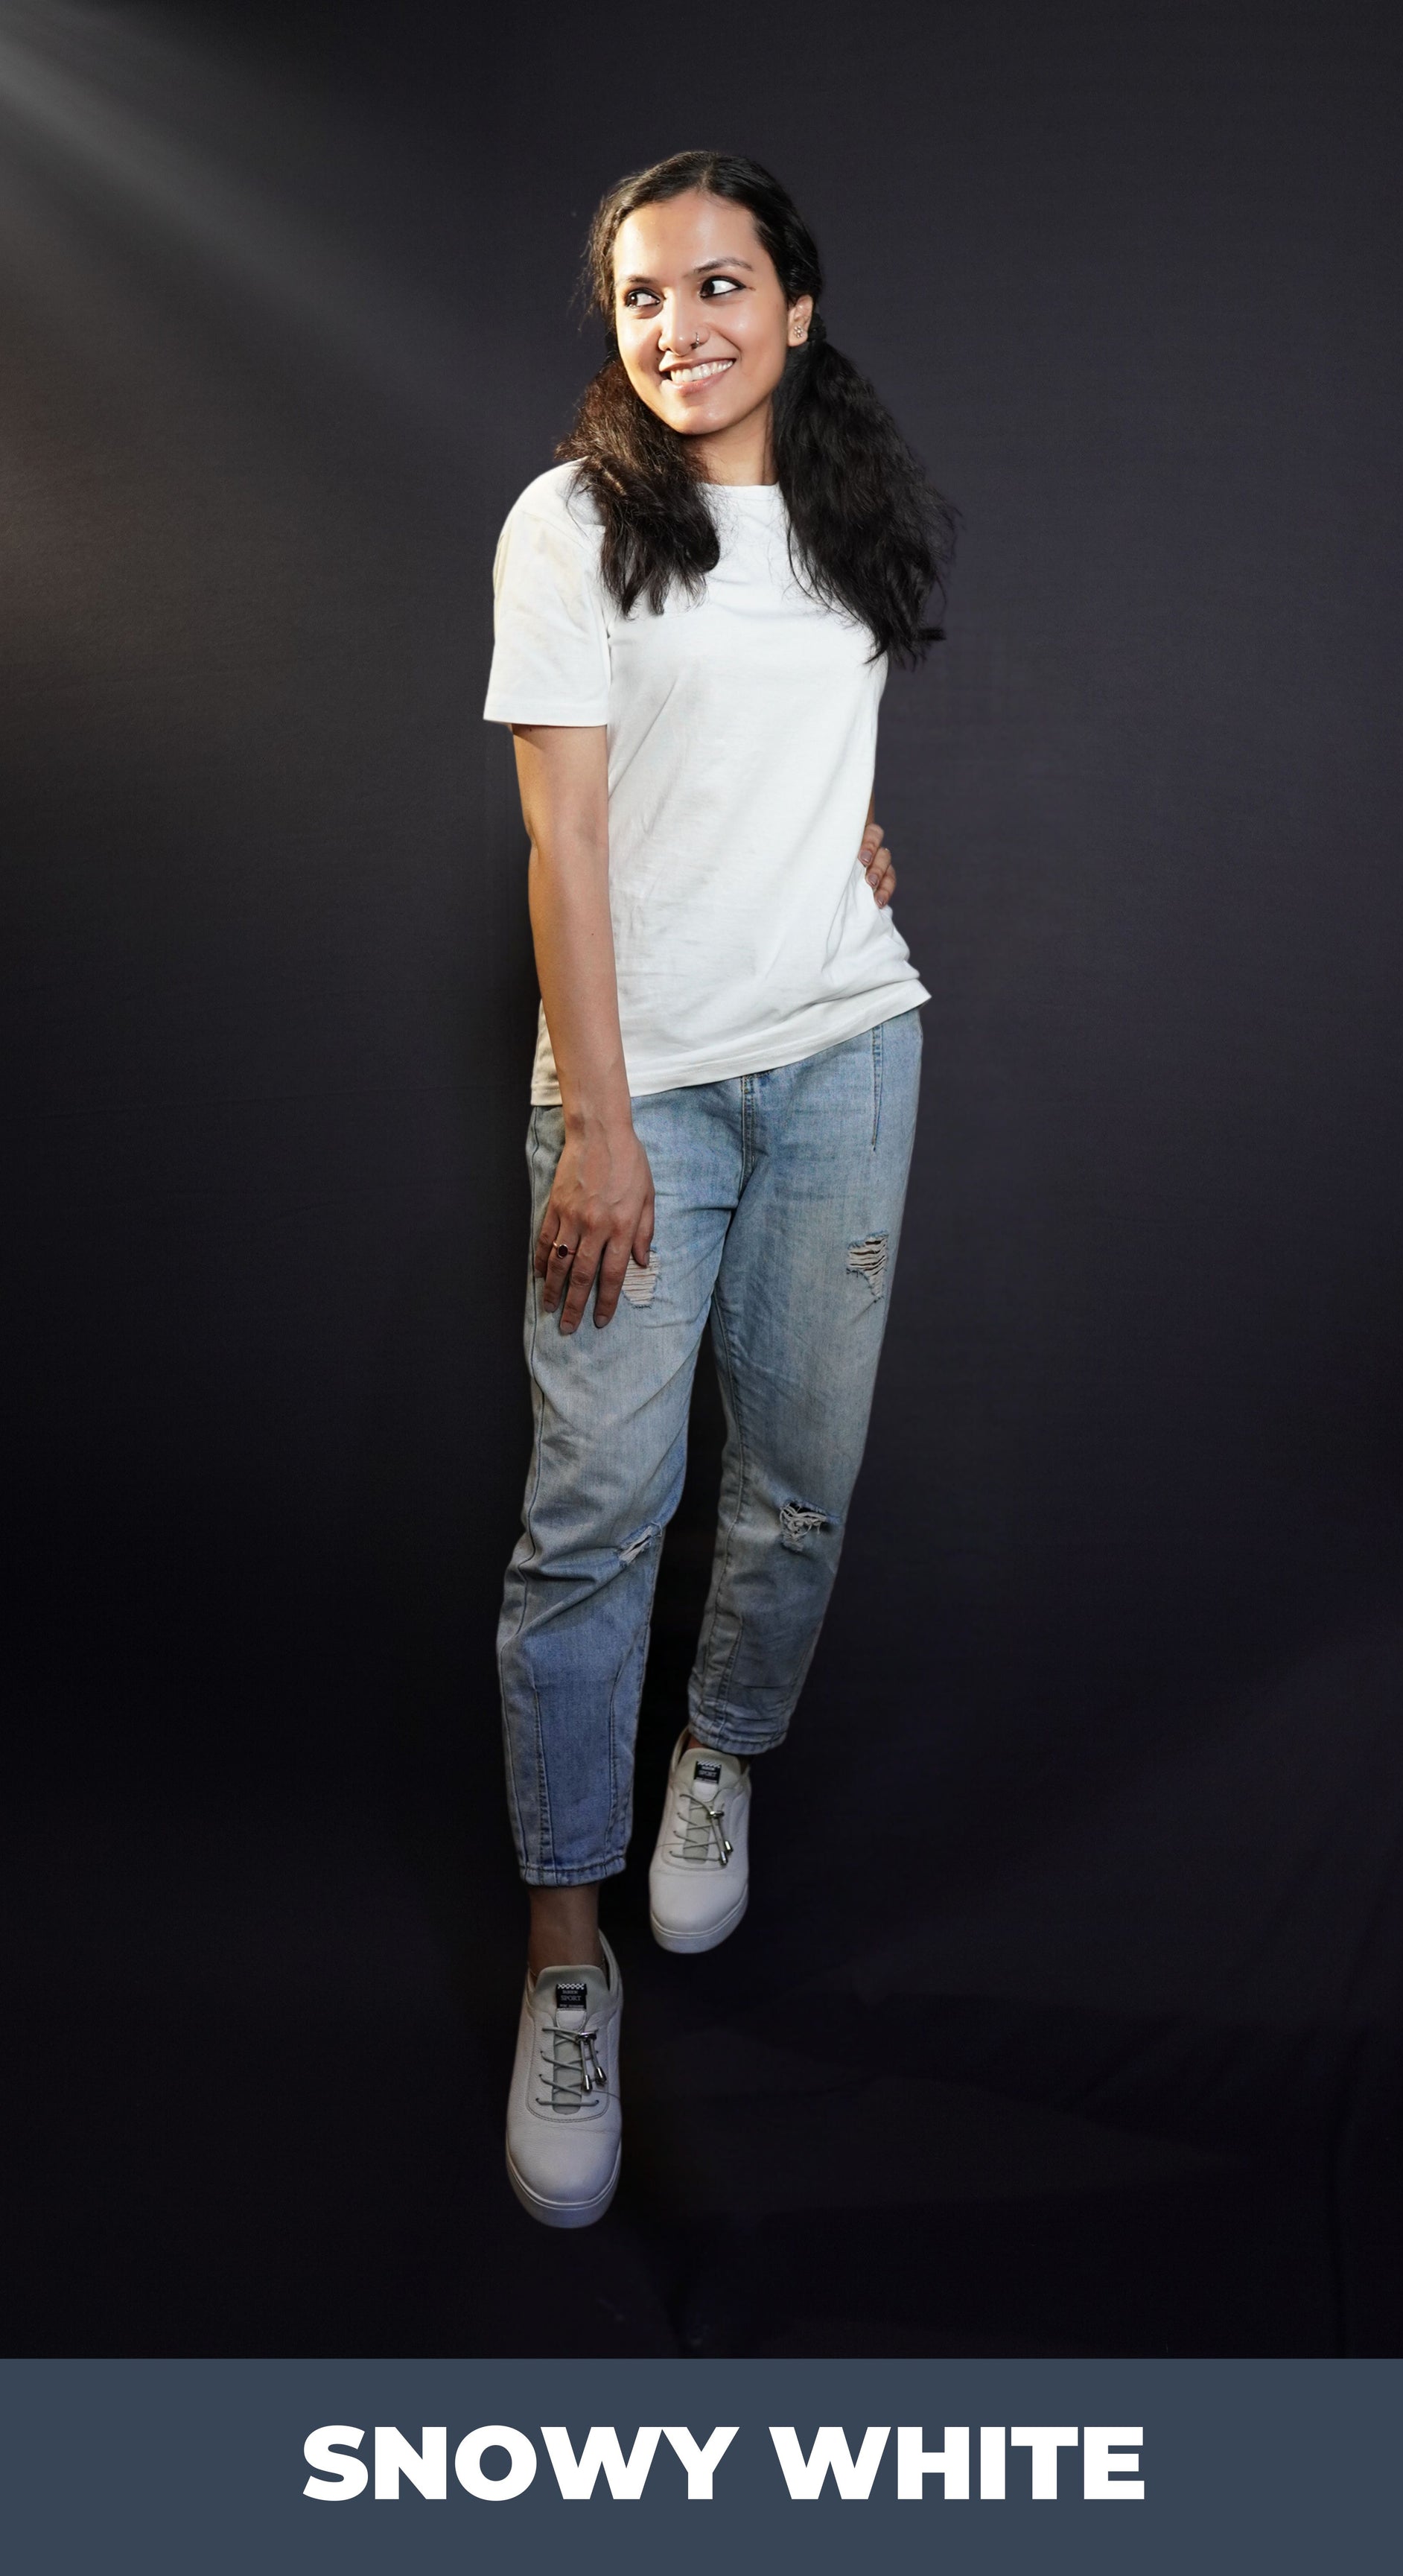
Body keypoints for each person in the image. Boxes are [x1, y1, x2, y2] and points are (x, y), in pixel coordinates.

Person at [483, 149, 952, 2226]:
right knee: (593, 1523)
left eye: (720, 283)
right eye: (640, 295)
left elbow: (801, 750)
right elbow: (569, 846)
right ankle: (561, 1967)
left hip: (849, 1053)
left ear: (800, 303)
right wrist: (596, 1112)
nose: (680, 325)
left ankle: (719, 1750)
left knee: (797, 1477)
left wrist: (845, 845)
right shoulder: (573, 523)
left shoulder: (849, 513)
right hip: (642, 1094)